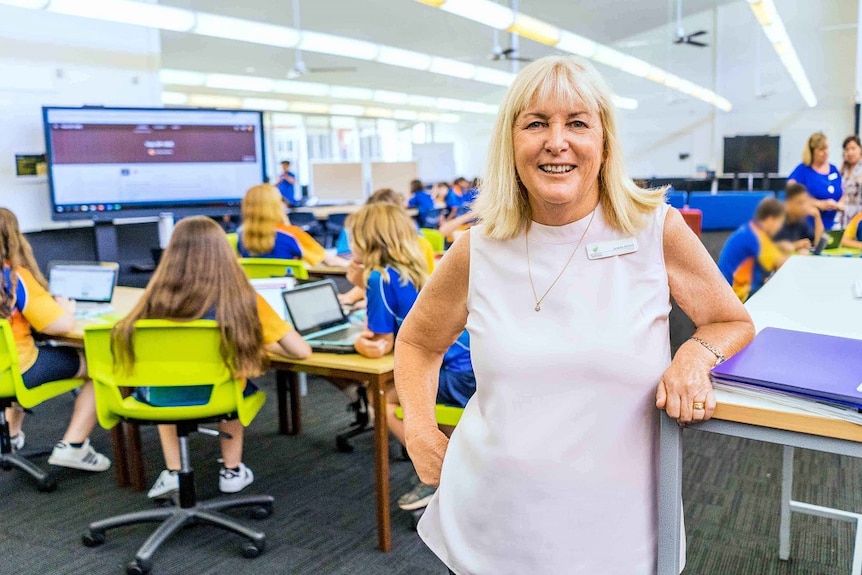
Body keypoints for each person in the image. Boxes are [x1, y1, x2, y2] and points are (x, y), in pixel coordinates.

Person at [393, 55, 754, 574]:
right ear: (510, 141)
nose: (555, 141)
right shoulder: (477, 249)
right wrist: (422, 432)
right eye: (536, 123)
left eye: (577, 123)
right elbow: (418, 343)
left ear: (603, 142)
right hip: (489, 525)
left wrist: (693, 358)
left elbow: (731, 320)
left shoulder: (655, 231)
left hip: (618, 531)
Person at [111, 217, 311, 499]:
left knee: (164, 381)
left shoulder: (153, 299)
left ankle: (172, 471)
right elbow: (300, 351)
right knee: (232, 378)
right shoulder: (242, 298)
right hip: (219, 396)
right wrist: (261, 346)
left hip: (159, 397)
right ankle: (231, 470)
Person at [345, 203, 475, 512]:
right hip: (467, 362)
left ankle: (434, 467)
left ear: (367, 239)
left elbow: (382, 343)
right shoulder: (419, 265)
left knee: (383, 399)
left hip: (451, 371)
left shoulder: (379, 278)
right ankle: (449, 458)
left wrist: (357, 342)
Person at [0, 208, 111, 471]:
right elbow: (60, 325)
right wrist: (65, 309)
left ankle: (12, 437)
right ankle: (73, 446)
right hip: (16, 371)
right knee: (103, 367)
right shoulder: (14, 279)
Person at [237, 184, 347, 267]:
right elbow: (330, 261)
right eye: (281, 200)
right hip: (289, 291)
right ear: (276, 206)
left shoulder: (242, 237)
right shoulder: (291, 234)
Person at [718, 198, 789, 302]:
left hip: (726, 288)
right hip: (736, 296)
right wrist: (798, 254)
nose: (779, 228)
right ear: (770, 219)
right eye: (779, 223)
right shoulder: (758, 238)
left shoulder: (750, 230)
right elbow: (782, 264)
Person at [787, 132, 844, 230]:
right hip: (809, 225)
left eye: (826, 148)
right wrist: (818, 203)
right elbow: (791, 191)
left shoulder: (833, 169)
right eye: (821, 149)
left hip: (832, 225)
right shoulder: (803, 170)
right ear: (812, 151)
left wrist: (840, 205)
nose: (825, 152)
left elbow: (842, 191)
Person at [774, 183, 823, 253]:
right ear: (788, 203)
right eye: (800, 203)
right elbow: (766, 247)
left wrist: (817, 217)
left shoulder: (800, 222)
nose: (804, 207)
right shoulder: (776, 221)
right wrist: (795, 245)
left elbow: (817, 244)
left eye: (805, 202)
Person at [841, 135, 862, 225]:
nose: (850, 152)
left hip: (858, 218)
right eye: (847, 149)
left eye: (853, 148)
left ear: (860, 149)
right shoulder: (844, 169)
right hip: (844, 218)